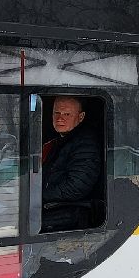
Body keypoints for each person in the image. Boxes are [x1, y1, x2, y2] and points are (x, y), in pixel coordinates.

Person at [41, 95, 102, 232]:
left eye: (67, 114)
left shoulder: (86, 143)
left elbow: (76, 187)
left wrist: (38, 196)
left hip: (70, 213)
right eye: (56, 113)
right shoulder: (60, 141)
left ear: (81, 117)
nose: (60, 118)